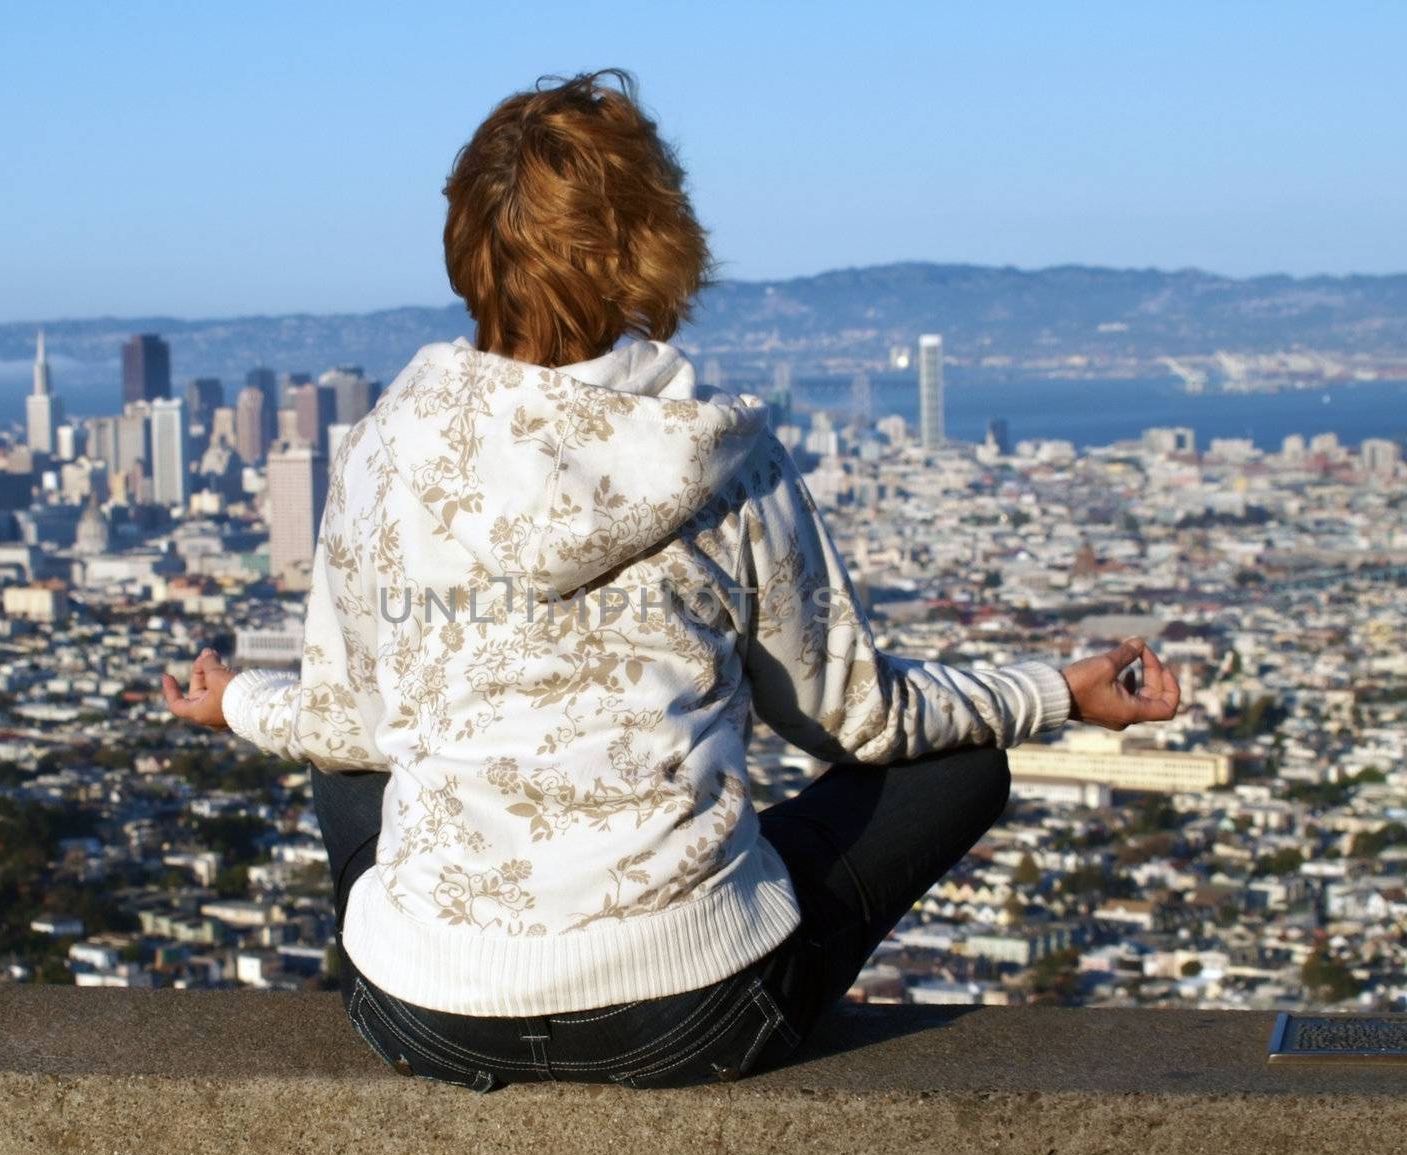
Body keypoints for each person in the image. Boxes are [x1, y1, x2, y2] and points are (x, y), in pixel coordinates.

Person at [162, 68, 1180, 1092]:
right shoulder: (715, 456)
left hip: (426, 1020)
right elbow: (856, 721)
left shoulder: (384, 452)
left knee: (353, 777)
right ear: (651, 240)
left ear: (466, 243)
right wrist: (1058, 692)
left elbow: (350, 728)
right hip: (698, 1017)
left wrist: (237, 702)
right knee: (967, 764)